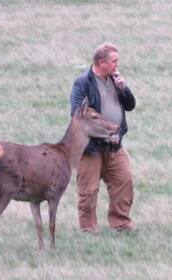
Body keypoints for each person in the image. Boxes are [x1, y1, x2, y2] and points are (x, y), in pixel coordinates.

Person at [70, 43, 136, 233]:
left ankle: (121, 223)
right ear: (101, 62)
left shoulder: (115, 80)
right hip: (90, 148)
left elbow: (130, 105)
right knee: (88, 191)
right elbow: (77, 113)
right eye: (114, 61)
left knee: (124, 181)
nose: (117, 65)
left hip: (114, 145)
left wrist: (123, 88)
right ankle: (88, 228)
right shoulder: (83, 83)